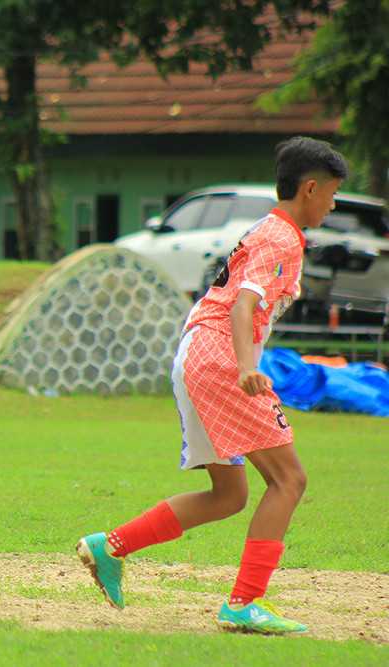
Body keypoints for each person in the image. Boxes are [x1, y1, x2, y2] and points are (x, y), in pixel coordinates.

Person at [76, 136, 350, 635]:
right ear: (309, 189)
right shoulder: (283, 237)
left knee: (228, 495)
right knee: (289, 481)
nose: (332, 205)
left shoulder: (269, 228)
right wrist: (247, 365)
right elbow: (244, 306)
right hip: (222, 357)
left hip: (198, 352)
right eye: (331, 194)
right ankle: (244, 603)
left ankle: (109, 546)